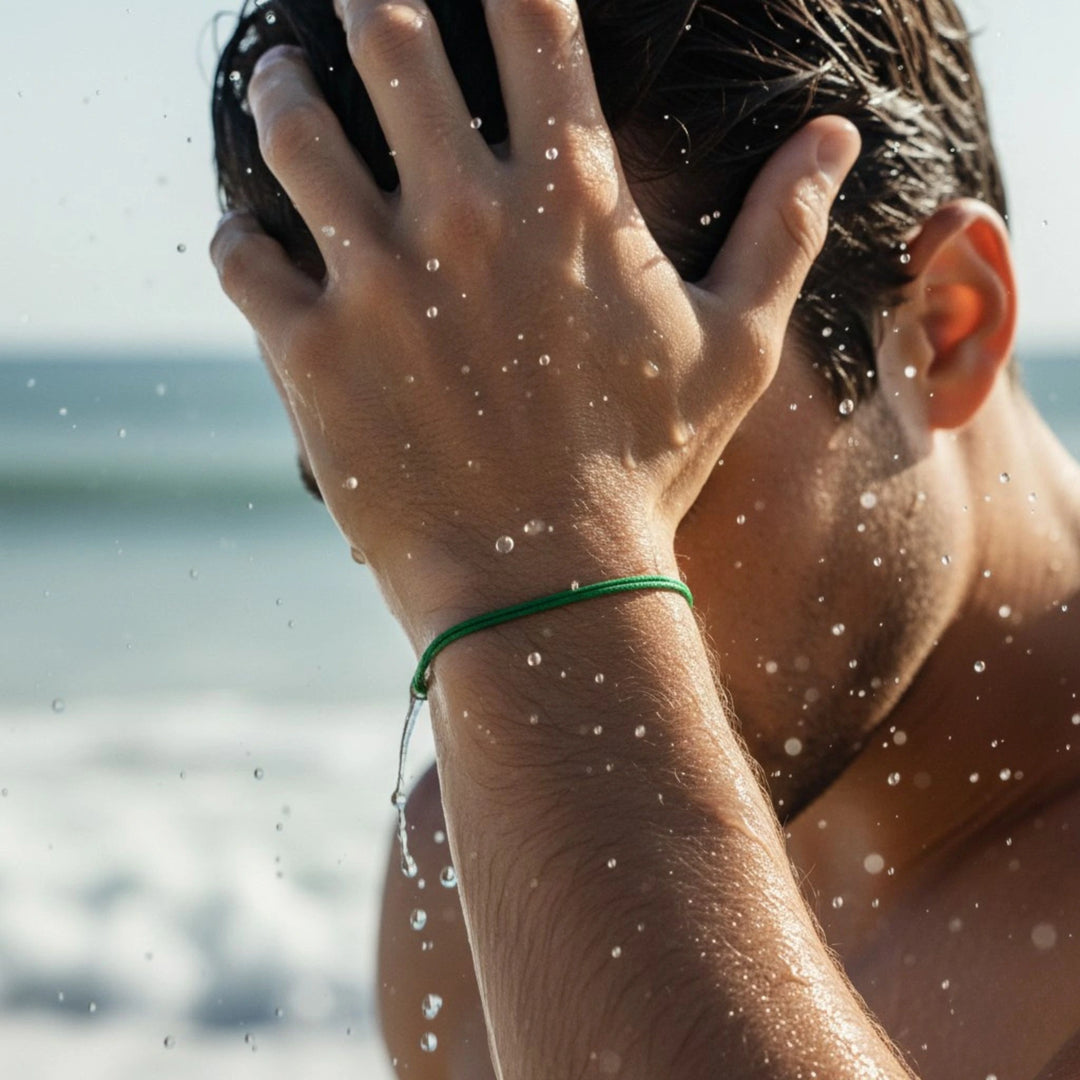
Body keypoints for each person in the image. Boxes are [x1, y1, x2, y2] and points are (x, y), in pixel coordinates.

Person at [209, 0, 1080, 1077]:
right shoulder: (486, 859)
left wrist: (555, 569)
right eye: (423, 499)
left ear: (945, 325)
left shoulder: (555, 824)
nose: (517, 677)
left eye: (649, 470)